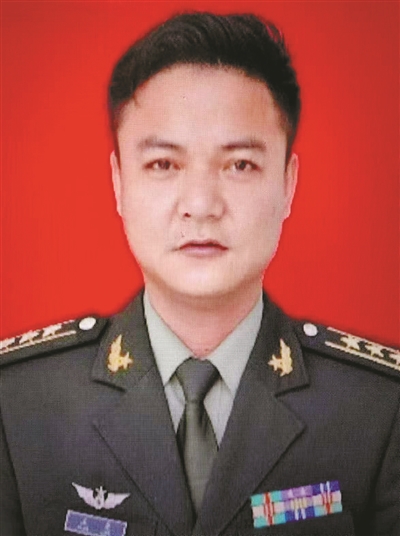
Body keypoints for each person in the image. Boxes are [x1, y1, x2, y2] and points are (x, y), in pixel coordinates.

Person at [0, 12, 399, 536]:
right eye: (164, 164)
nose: (201, 205)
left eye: (240, 165)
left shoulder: (378, 411)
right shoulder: (19, 404)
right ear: (118, 183)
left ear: (288, 184)